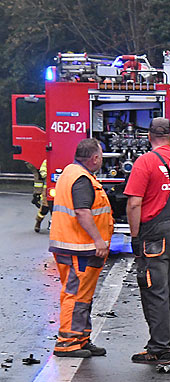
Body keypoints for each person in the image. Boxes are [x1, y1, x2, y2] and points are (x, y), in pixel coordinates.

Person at [125, 118, 170, 364]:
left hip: (155, 233)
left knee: (155, 290)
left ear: (149, 136)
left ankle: (159, 347)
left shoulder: (145, 162)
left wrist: (135, 237)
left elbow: (134, 203)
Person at [49, 139, 113, 358]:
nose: (102, 160)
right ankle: (67, 342)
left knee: (82, 295)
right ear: (94, 158)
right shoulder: (82, 179)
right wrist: (99, 241)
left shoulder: (71, 172)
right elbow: (82, 212)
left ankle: (81, 338)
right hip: (79, 247)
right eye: (101, 157)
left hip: (74, 245)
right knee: (75, 295)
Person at [28, 159, 50, 232]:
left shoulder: (67, 159)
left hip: (63, 187)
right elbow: (42, 170)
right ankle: (38, 221)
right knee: (44, 208)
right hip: (48, 188)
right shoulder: (48, 160)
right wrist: (46, 174)